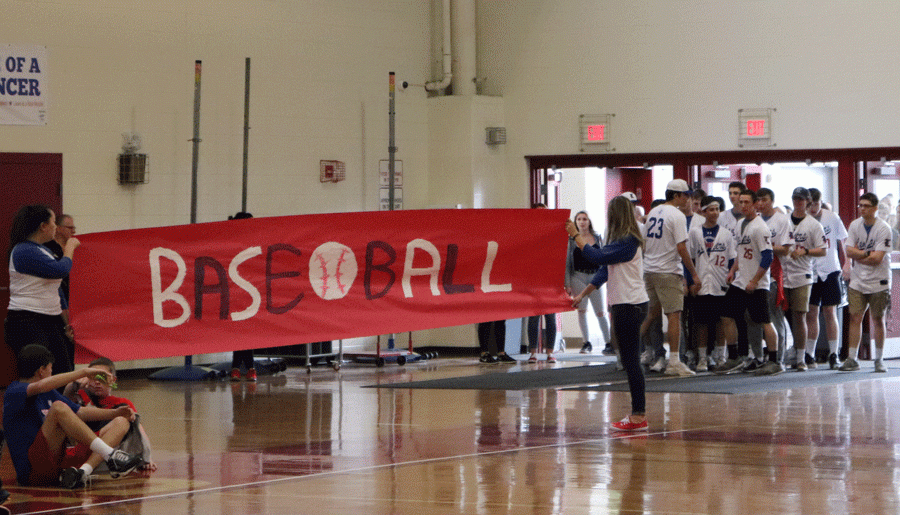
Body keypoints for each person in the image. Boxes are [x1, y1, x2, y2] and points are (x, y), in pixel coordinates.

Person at [3, 344, 145, 488]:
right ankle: (111, 455)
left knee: (120, 421)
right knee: (58, 407)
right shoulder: (15, 391)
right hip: (33, 471)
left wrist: (115, 413)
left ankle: (83, 472)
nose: (52, 373)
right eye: (51, 369)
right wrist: (83, 372)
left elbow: (81, 412)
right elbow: (40, 386)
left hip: (59, 463)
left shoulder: (49, 392)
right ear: (42, 370)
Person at [568, 196, 649, 431]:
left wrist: (576, 236)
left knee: (631, 361)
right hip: (627, 304)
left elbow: (597, 258)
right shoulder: (621, 240)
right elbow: (604, 271)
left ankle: (638, 415)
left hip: (629, 305)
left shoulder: (628, 241)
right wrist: (583, 294)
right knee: (629, 359)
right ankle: (637, 413)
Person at [5, 205, 80, 377]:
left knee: (63, 368)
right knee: (39, 374)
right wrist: (70, 247)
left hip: (49, 319)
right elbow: (60, 270)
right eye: (53, 222)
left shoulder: (43, 249)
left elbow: (56, 289)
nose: (55, 226)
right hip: (27, 320)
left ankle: (60, 403)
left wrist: (66, 320)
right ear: (43, 226)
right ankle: (37, 404)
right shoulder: (24, 250)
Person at [638, 179, 701, 377]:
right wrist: (694, 274)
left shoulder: (653, 213)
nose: (688, 199)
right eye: (686, 195)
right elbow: (682, 248)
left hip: (650, 270)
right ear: (676, 195)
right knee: (674, 315)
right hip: (668, 271)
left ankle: (628, 351)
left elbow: (646, 244)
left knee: (650, 314)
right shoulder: (677, 215)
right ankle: (674, 361)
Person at [715, 189, 782, 376]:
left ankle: (774, 360)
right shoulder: (739, 224)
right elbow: (740, 252)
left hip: (756, 284)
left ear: (755, 204)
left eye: (746, 202)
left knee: (764, 321)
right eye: (740, 202)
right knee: (726, 314)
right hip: (740, 281)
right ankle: (734, 356)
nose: (742, 205)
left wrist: (755, 280)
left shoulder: (760, 227)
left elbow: (767, 257)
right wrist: (732, 270)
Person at [64, 357, 157, 475]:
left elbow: (139, 430)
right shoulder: (79, 394)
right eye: (93, 377)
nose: (97, 382)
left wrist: (147, 457)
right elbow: (65, 400)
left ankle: (86, 470)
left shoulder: (122, 403)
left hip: (103, 455)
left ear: (113, 380)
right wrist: (73, 385)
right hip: (80, 448)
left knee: (126, 421)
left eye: (102, 377)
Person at [840, 193, 892, 373]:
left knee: (878, 319)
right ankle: (852, 358)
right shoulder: (855, 225)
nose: (862, 208)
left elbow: (877, 259)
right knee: (855, 317)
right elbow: (849, 250)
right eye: (860, 205)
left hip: (879, 281)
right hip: (858, 280)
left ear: (875, 208)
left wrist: (859, 254)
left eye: (867, 205)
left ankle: (879, 359)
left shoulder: (884, 228)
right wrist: (863, 255)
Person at [687, 196, 735, 372]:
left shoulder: (726, 233)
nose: (715, 212)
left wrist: (731, 275)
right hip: (701, 283)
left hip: (720, 283)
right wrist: (691, 280)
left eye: (717, 209)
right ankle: (702, 358)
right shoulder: (694, 233)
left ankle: (720, 356)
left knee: (721, 321)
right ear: (704, 211)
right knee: (701, 323)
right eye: (711, 209)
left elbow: (732, 259)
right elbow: (690, 259)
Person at [781, 187, 827, 371]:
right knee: (785, 315)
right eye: (795, 199)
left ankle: (801, 357)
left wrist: (805, 251)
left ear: (807, 201)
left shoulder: (814, 225)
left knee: (800, 315)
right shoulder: (783, 221)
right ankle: (790, 350)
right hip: (784, 273)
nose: (798, 202)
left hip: (803, 274)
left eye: (801, 199)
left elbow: (823, 250)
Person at [806, 188, 848, 369]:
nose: (813, 207)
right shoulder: (803, 220)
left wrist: (847, 263)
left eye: (816, 204)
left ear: (821, 202)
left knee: (830, 312)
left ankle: (833, 353)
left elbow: (843, 240)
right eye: (810, 204)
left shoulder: (832, 217)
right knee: (811, 313)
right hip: (810, 270)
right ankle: (809, 353)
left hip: (830, 269)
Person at [564, 210, 611, 356]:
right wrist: (568, 283)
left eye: (585, 219)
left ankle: (609, 342)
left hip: (595, 276)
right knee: (582, 310)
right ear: (575, 222)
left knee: (600, 311)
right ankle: (586, 342)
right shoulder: (571, 240)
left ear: (589, 221)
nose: (582, 222)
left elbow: (603, 256)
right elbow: (567, 262)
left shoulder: (597, 238)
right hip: (578, 275)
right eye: (579, 219)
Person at [756, 188, 791, 366]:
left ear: (771, 200)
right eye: (759, 200)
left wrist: (765, 246)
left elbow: (785, 248)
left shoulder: (782, 220)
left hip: (775, 274)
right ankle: (758, 356)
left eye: (765, 200)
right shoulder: (754, 221)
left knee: (776, 317)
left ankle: (779, 358)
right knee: (759, 318)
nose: (761, 203)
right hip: (756, 273)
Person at [227, 211, 259, 381]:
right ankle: (247, 368)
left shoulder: (253, 240)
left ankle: (238, 368)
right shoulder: (233, 242)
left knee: (247, 332)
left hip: (251, 290)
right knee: (240, 331)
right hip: (235, 290)